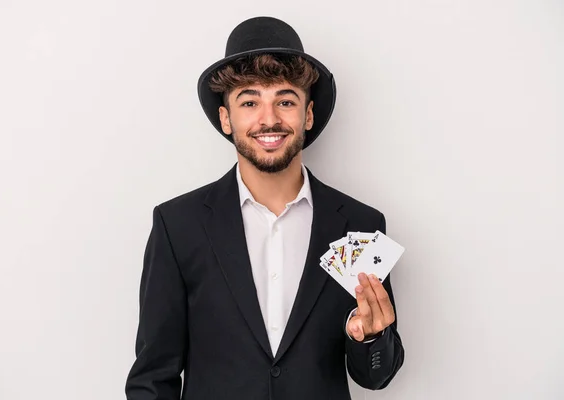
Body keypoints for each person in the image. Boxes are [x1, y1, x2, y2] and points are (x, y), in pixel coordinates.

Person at [125, 16, 405, 400]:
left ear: (308, 115)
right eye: (250, 101)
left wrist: (372, 336)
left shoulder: (359, 225)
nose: (269, 119)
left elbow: (376, 376)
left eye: (285, 101)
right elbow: (152, 378)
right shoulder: (178, 226)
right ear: (226, 118)